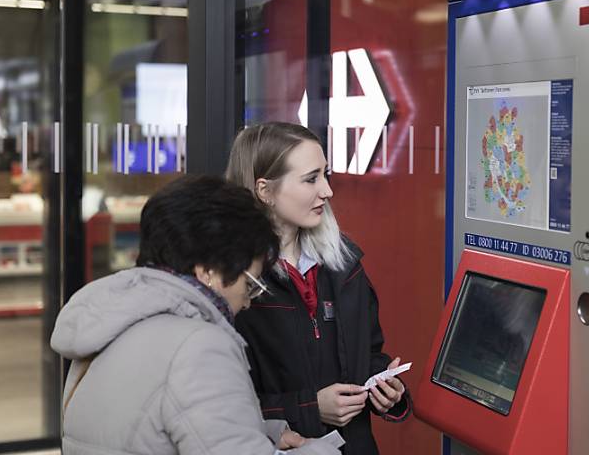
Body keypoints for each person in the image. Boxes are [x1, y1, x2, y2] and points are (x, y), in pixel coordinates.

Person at [50, 175, 341, 455]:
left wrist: (261, 432)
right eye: (249, 284)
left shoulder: (115, 320)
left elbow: (148, 432)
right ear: (209, 271)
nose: (248, 302)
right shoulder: (199, 345)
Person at [227, 122, 411, 455]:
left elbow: (367, 352)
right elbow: (222, 406)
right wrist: (310, 408)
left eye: (326, 175)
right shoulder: (234, 285)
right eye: (311, 179)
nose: (327, 191)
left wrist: (384, 384)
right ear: (264, 190)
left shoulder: (344, 266)